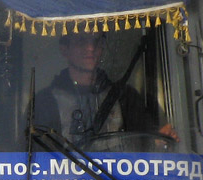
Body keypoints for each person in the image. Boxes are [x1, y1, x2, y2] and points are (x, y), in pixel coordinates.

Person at [33, 30, 177, 146]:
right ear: (64, 49)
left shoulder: (125, 96)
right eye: (81, 40)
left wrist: (160, 137)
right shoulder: (45, 101)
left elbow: (149, 141)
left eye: (97, 41)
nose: (91, 48)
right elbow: (37, 156)